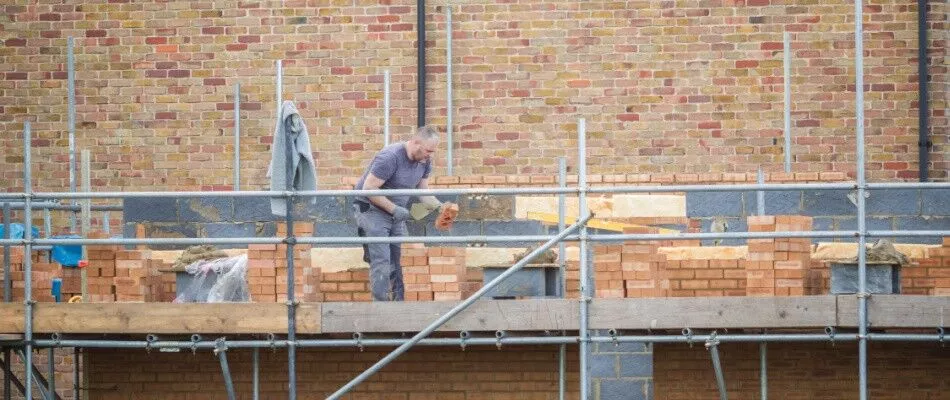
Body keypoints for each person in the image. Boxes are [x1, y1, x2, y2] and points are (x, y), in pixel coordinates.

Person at [353, 125, 447, 301]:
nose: (430, 155)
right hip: (371, 210)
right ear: (416, 142)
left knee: (396, 260)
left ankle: (398, 306)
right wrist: (394, 209)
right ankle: (380, 309)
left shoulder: (424, 161)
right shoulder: (390, 157)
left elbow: (422, 191)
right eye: (428, 150)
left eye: (432, 152)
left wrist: (440, 206)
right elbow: (369, 188)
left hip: (395, 214)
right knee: (381, 260)